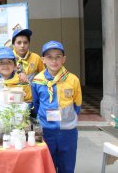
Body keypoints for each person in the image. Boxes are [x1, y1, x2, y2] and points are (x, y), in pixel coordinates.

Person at [32, 41, 82, 173]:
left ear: (64, 59)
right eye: (49, 57)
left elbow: (77, 105)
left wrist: (66, 120)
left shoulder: (73, 80)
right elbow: (36, 105)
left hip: (68, 131)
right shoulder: (37, 80)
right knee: (48, 165)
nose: (54, 60)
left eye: (58, 56)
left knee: (67, 166)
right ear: (43, 60)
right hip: (46, 131)